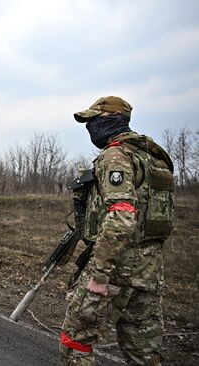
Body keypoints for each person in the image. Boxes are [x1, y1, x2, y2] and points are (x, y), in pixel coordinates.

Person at [60, 96, 175, 365]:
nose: (90, 129)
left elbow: (121, 216)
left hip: (115, 270)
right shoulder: (152, 158)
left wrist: (99, 275)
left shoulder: (115, 155)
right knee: (143, 352)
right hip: (149, 271)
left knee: (76, 341)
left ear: (109, 121)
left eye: (92, 121)